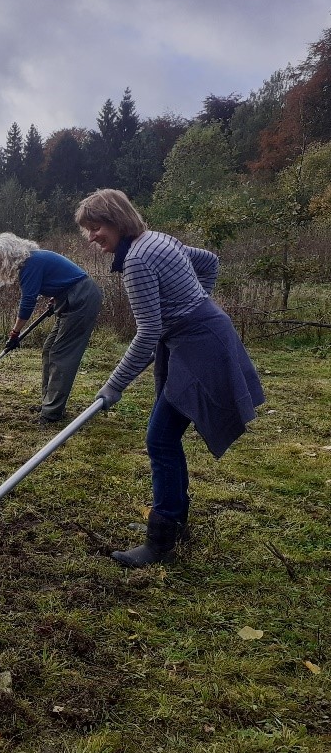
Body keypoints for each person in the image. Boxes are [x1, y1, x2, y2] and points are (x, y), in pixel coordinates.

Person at [75, 189, 264, 567]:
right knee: (164, 437)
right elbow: (209, 261)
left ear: (117, 220)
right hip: (205, 332)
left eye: (96, 227)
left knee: (160, 438)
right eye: (88, 230)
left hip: (201, 346)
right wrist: (197, 302)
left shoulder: (138, 261)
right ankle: (172, 521)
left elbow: (147, 334)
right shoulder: (157, 239)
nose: (92, 237)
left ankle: (161, 542)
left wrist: (113, 387)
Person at [0, 232, 102, 425]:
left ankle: (52, 413)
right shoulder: (34, 261)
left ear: (7, 258)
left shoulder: (31, 264)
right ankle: (49, 403)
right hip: (71, 297)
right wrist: (56, 297)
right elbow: (61, 278)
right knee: (49, 349)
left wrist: (15, 333)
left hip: (81, 298)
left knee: (61, 354)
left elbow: (28, 301)